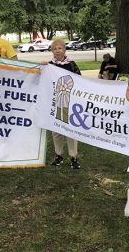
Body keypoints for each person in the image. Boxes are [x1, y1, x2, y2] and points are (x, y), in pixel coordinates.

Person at [43, 40, 82, 169]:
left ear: (65, 50)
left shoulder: (71, 64)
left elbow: (79, 80)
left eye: (60, 48)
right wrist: (41, 67)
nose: (58, 50)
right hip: (54, 102)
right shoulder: (49, 65)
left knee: (70, 130)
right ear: (52, 51)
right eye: (55, 48)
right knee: (56, 130)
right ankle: (58, 155)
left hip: (69, 101)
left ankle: (73, 157)